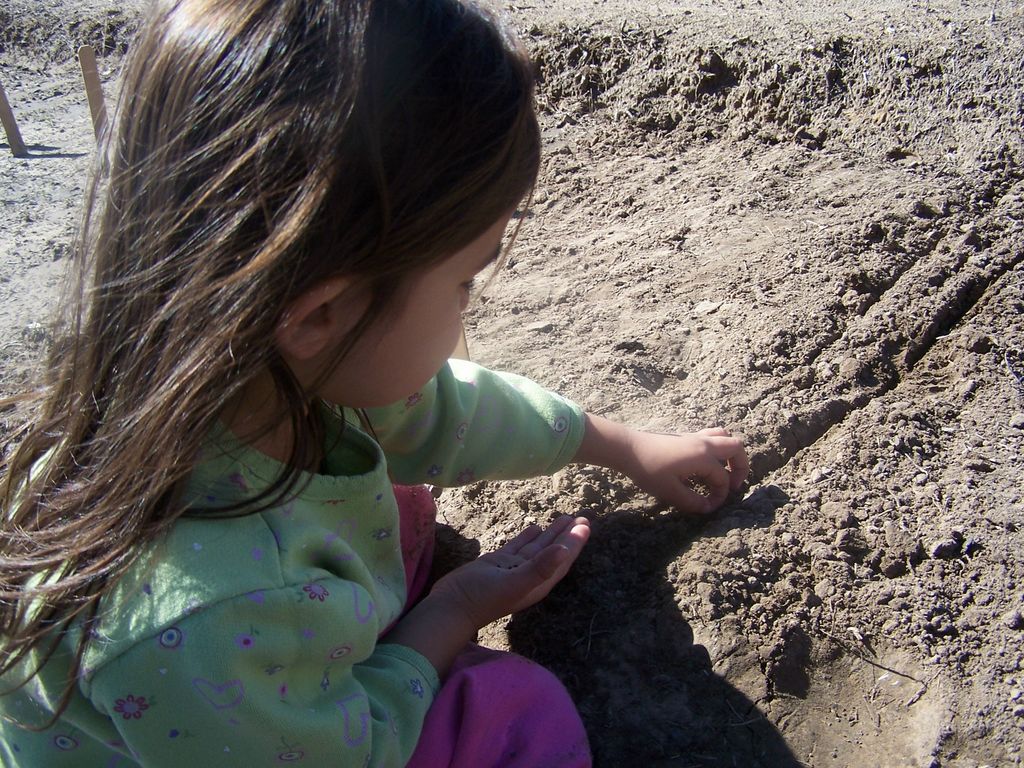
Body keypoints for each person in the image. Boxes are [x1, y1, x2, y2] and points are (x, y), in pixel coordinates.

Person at [0, 0, 749, 765]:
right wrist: (451, 613)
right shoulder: (197, 619)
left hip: (263, 685)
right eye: (465, 282)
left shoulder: (259, 368)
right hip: (277, 728)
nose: (469, 305)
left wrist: (621, 447)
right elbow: (353, 753)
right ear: (319, 313)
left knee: (402, 499)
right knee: (518, 711)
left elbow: (449, 412)